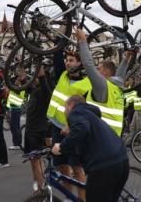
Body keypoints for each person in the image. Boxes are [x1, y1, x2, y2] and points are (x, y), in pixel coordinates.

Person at [52, 95, 129, 202]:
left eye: (65, 108)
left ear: (70, 106)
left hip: (104, 166)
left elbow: (82, 128)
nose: (64, 112)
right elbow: (82, 129)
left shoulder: (76, 112)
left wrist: (61, 146)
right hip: (122, 160)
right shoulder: (90, 114)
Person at [46, 47, 90, 200]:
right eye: (67, 60)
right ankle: (69, 197)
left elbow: (86, 112)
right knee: (62, 166)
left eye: (71, 60)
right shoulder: (62, 74)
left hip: (72, 131)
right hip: (56, 127)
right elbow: (56, 52)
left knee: (77, 169)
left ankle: (82, 199)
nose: (67, 63)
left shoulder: (86, 84)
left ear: (80, 63)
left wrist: (70, 126)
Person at [75, 28, 131, 136]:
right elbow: (120, 74)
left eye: (99, 68)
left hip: (99, 140)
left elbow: (89, 65)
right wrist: (127, 58)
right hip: (113, 140)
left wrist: (82, 40)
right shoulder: (117, 87)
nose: (96, 70)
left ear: (105, 73)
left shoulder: (102, 86)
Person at [24, 66, 52, 190]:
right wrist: (19, 64)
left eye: (35, 76)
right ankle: (37, 186)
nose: (33, 78)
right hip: (30, 130)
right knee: (32, 160)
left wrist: (41, 73)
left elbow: (42, 80)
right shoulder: (34, 91)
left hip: (36, 131)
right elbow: (23, 78)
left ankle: (42, 190)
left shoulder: (45, 92)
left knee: (36, 162)